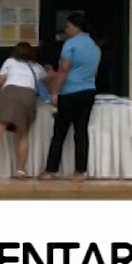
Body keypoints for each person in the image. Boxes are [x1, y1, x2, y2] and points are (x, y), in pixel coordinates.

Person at [42, 12, 100, 182]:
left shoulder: (70, 44)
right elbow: (94, 71)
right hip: (88, 90)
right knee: (81, 132)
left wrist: (55, 92)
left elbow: (64, 69)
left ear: (76, 27)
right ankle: (80, 172)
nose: (66, 30)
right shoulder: (94, 46)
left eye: (68, 26)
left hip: (70, 92)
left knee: (60, 132)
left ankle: (50, 170)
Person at [0, 41, 45, 178]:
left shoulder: (10, 62)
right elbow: (47, 80)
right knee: (22, 134)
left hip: (9, 92)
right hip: (28, 94)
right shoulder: (37, 68)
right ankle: (20, 170)